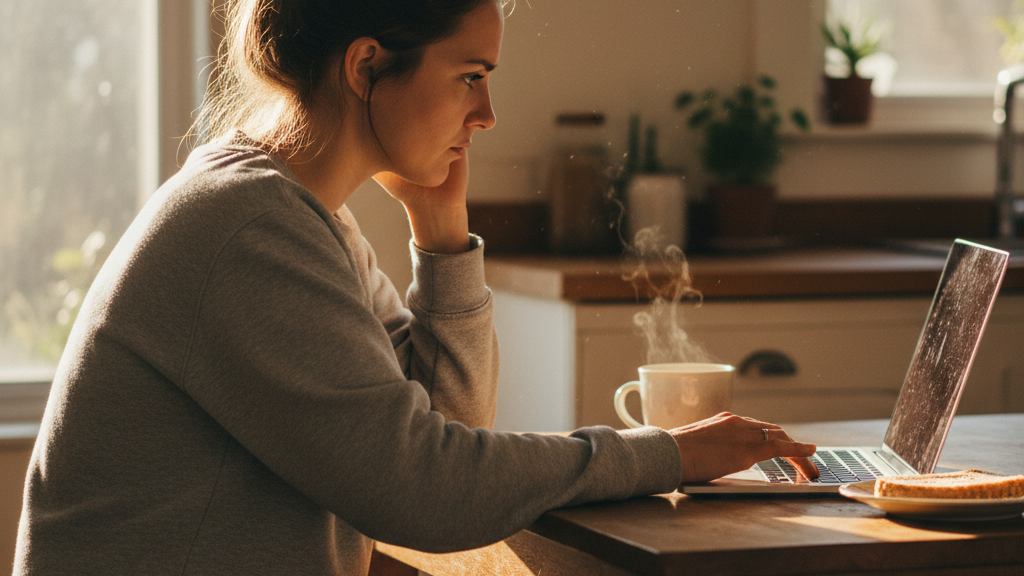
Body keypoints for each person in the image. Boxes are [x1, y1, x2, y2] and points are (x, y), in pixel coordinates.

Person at [14, 1, 818, 574]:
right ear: (367, 65)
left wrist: (442, 234)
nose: (489, 112)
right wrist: (666, 454)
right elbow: (428, 490)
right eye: (470, 75)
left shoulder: (309, 221)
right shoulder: (248, 230)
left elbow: (448, 424)